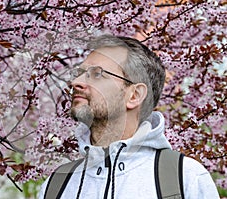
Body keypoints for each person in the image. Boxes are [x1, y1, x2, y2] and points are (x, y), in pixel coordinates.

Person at [38, 35, 219, 199]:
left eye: (97, 74)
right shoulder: (56, 186)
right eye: (79, 74)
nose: (76, 82)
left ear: (134, 95)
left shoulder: (186, 179)